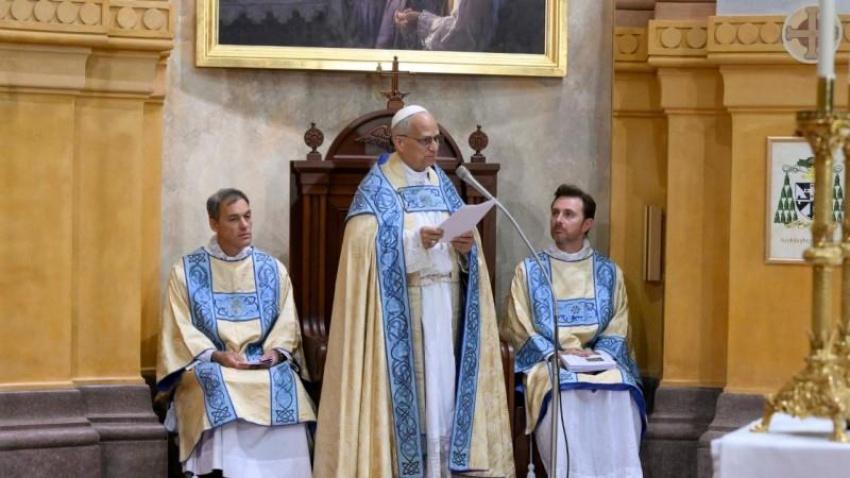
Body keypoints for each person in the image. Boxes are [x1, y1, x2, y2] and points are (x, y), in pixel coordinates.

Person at [313, 105, 514, 478]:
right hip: (405, 312)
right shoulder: (377, 189)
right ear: (399, 141)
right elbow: (361, 248)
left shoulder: (443, 184)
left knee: (445, 396)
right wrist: (412, 242)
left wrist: (468, 252)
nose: (434, 147)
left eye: (436, 138)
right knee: (418, 400)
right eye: (425, 140)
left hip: (448, 306)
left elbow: (469, 254)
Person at [156, 188, 316, 477]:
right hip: (212, 363)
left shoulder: (271, 269)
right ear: (213, 223)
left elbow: (287, 322)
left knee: (285, 381)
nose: (244, 225)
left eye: (248, 216)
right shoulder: (187, 271)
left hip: (261, 362)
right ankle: (222, 470)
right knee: (215, 381)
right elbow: (179, 328)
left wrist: (276, 352)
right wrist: (217, 355)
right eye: (233, 219)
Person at [501, 184, 645, 478]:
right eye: (555, 213)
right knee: (564, 388)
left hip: (599, 360)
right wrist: (556, 353)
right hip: (549, 361)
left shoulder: (608, 272)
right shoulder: (530, 270)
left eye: (569, 214)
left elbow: (619, 324)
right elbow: (518, 325)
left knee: (620, 387)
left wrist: (596, 356)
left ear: (587, 224)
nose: (558, 220)